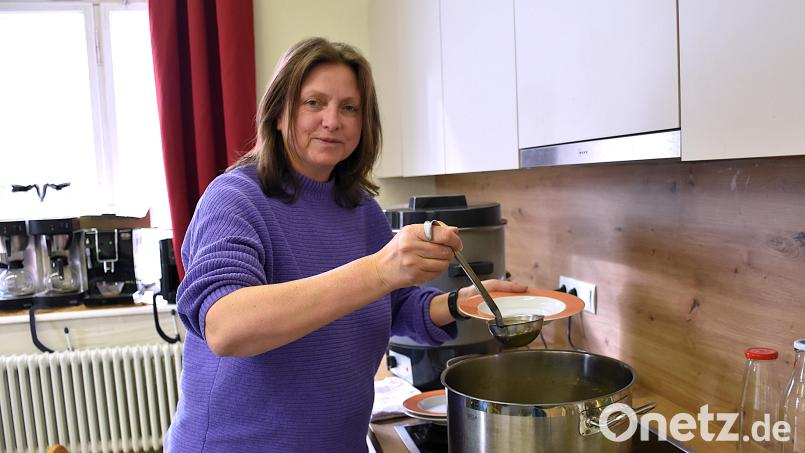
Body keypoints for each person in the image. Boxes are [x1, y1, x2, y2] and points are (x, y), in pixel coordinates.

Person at [165, 37, 527, 452]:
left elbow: (391, 305)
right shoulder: (234, 199)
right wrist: (380, 270)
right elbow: (227, 326)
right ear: (279, 114)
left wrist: (462, 302)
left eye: (350, 108)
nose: (332, 121)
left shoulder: (359, 209)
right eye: (314, 103)